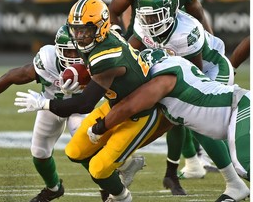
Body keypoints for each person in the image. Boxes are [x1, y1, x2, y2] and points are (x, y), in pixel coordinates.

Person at [13, 0, 172, 202]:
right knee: (74, 151)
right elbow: (95, 76)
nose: (79, 36)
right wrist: (79, 79)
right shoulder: (97, 40)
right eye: (76, 29)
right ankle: (125, 169)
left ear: (101, 27)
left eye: (86, 29)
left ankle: (122, 198)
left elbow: (84, 104)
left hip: (138, 113)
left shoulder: (107, 56)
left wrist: (44, 104)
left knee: (98, 169)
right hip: (116, 104)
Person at [0, 24, 144, 202]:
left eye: (77, 52)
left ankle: (109, 186)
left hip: (81, 108)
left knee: (82, 141)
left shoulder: (95, 59)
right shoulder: (48, 60)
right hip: (50, 105)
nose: (74, 58)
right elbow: (13, 76)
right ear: (58, 51)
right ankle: (53, 188)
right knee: (39, 151)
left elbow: (86, 102)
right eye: (68, 53)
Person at [89, 48, 250, 202]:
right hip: (235, 113)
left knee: (244, 164)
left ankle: (235, 183)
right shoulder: (171, 94)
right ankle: (235, 186)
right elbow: (156, 130)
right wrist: (123, 152)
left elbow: (130, 106)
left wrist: (101, 127)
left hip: (241, 106)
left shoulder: (164, 78)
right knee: (238, 160)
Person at [109, 0, 216, 194]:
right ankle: (120, 161)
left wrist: (212, 45)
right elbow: (114, 10)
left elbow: (197, 14)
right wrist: (119, 40)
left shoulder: (186, 24)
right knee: (121, 103)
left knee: (178, 110)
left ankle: (174, 172)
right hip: (143, 41)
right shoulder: (141, 17)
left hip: (178, 45)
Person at [129, 0, 235, 194]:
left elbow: (196, 73)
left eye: (155, 17)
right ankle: (173, 173)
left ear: (169, 11)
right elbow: (130, 52)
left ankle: (235, 177)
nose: (149, 22)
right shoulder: (143, 26)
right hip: (182, 67)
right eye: (146, 17)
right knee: (175, 113)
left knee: (202, 121)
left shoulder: (185, 31)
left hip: (212, 67)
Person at [109, 0, 213, 40]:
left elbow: (199, 17)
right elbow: (113, 10)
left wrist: (213, 43)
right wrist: (117, 36)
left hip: (175, 43)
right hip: (139, 40)